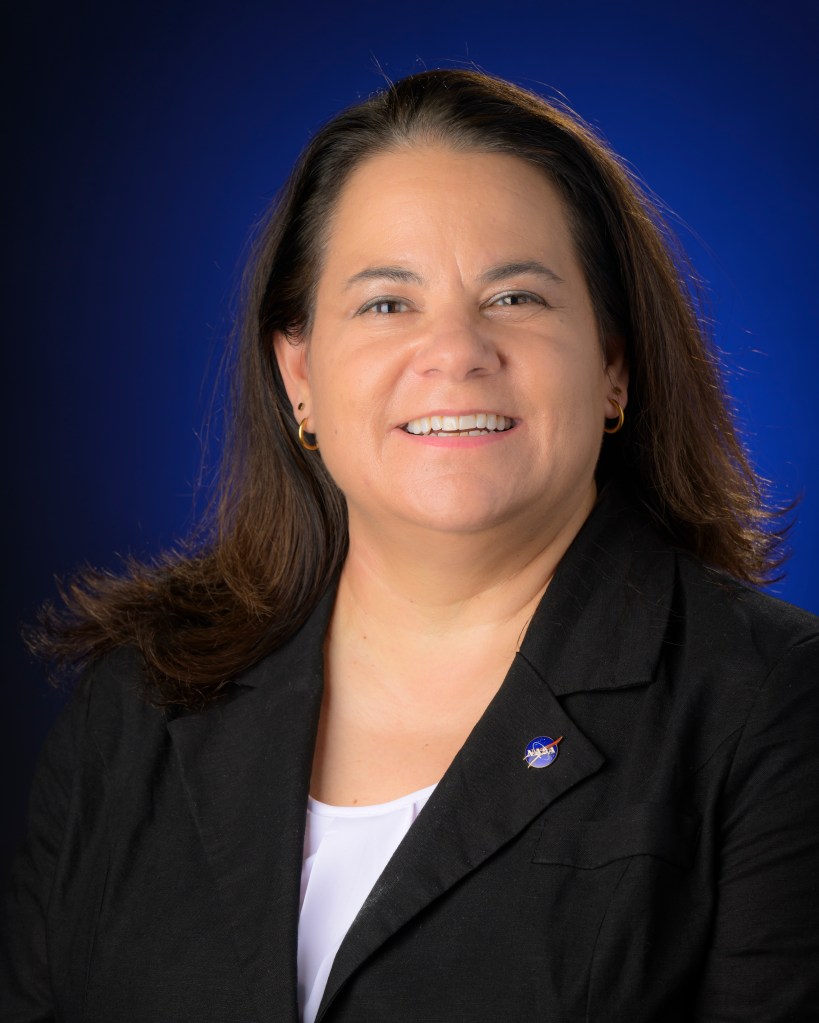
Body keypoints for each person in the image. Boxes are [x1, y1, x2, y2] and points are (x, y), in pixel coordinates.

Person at [2, 68, 818, 1022]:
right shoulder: (138, 700)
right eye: (387, 303)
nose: (455, 350)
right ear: (298, 373)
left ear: (612, 366)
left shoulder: (773, 711)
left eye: (516, 297)